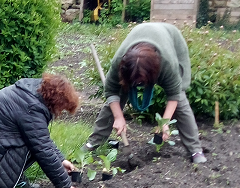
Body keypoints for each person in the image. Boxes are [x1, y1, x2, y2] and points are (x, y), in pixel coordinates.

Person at [86, 22, 206, 163]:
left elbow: (174, 95)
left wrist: (164, 123)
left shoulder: (166, 63)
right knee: (115, 101)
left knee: (181, 100)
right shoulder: (120, 62)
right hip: (140, 38)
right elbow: (111, 91)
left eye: (142, 81)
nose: (139, 85)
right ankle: (94, 142)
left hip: (171, 38)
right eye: (135, 82)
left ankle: (195, 150)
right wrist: (118, 117)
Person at [0, 74, 81, 188]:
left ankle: (15, 180)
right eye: (61, 108)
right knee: (33, 146)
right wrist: (67, 187)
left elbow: (42, 139)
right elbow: (43, 150)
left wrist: (61, 160)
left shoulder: (30, 93)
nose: (60, 112)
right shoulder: (32, 108)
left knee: (33, 142)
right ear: (56, 100)